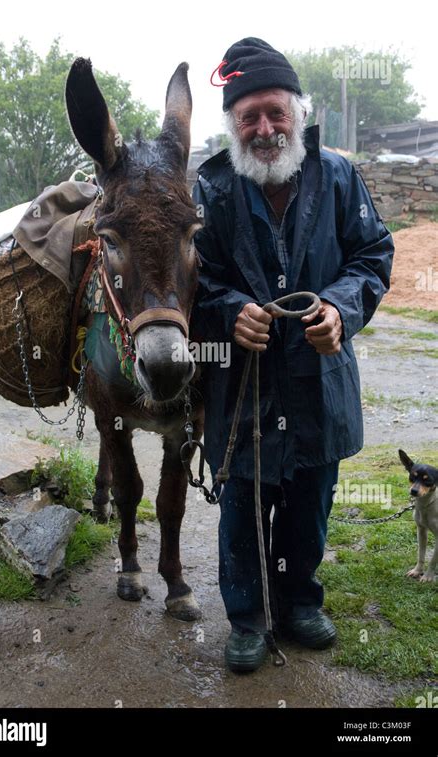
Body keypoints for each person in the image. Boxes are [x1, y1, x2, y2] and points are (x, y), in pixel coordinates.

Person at [190, 37, 394, 673]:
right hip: (242, 384)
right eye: (248, 117)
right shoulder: (210, 189)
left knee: (311, 494)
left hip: (317, 378)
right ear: (232, 125)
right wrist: (229, 314)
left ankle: (300, 601)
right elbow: (188, 281)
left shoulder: (337, 177)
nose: (265, 128)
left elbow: (372, 256)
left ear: (298, 113)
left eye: (275, 112)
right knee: (244, 505)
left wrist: (339, 309)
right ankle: (247, 618)